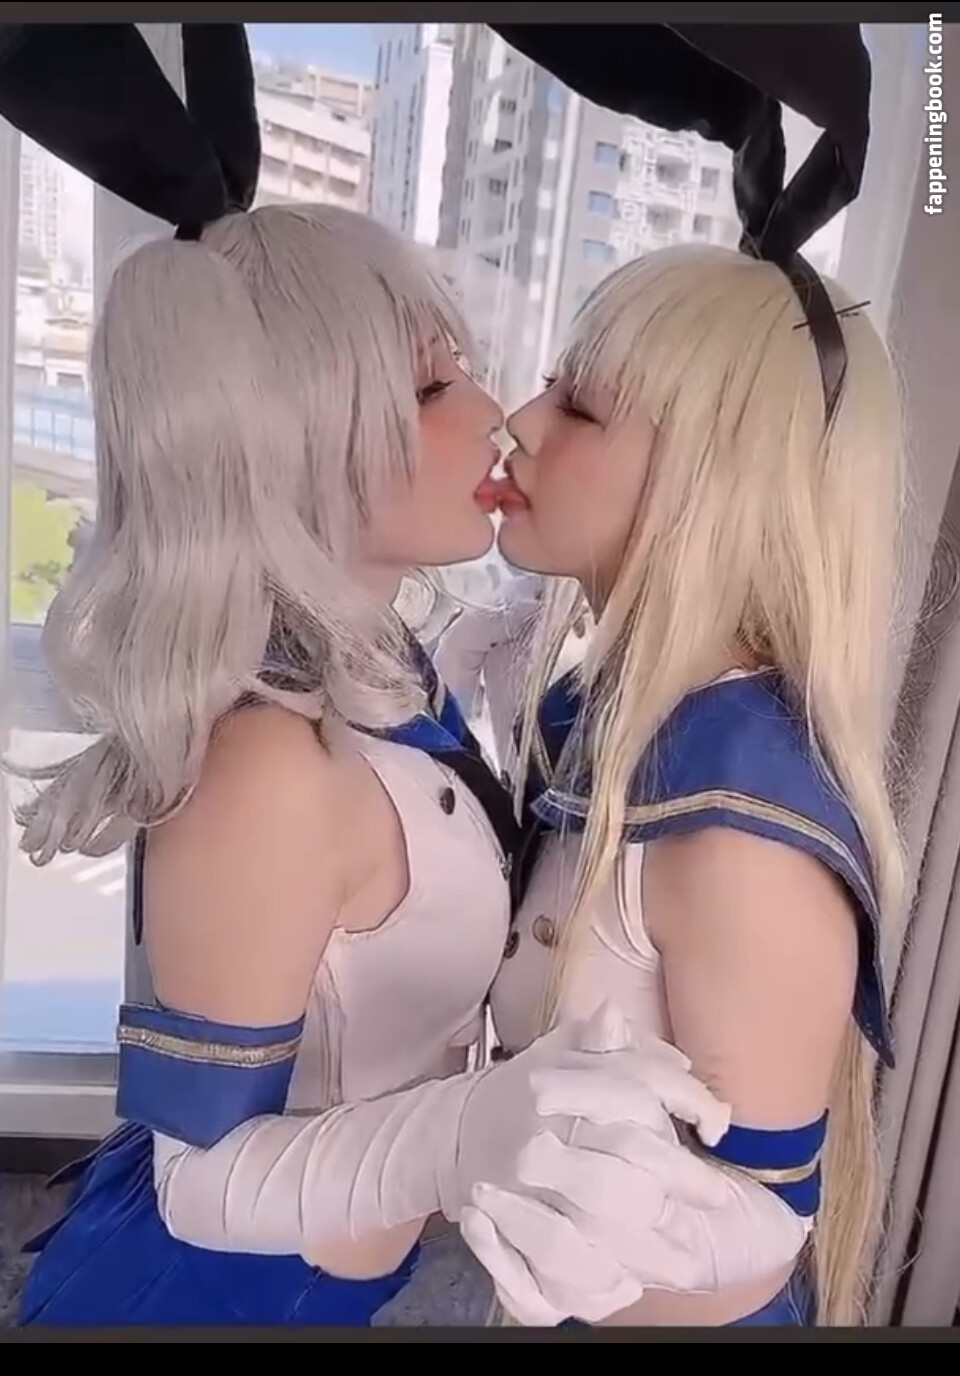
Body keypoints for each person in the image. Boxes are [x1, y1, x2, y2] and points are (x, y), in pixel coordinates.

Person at [2, 23, 744, 1328]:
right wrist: (459, 1132)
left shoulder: (377, 663)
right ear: (302, 442)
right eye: (435, 383)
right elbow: (201, 1180)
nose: (497, 414)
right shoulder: (265, 769)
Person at [453, 240, 905, 1328]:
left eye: (581, 406)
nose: (521, 420)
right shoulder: (610, 715)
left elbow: (742, 1254)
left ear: (713, 479)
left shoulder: (738, 831)